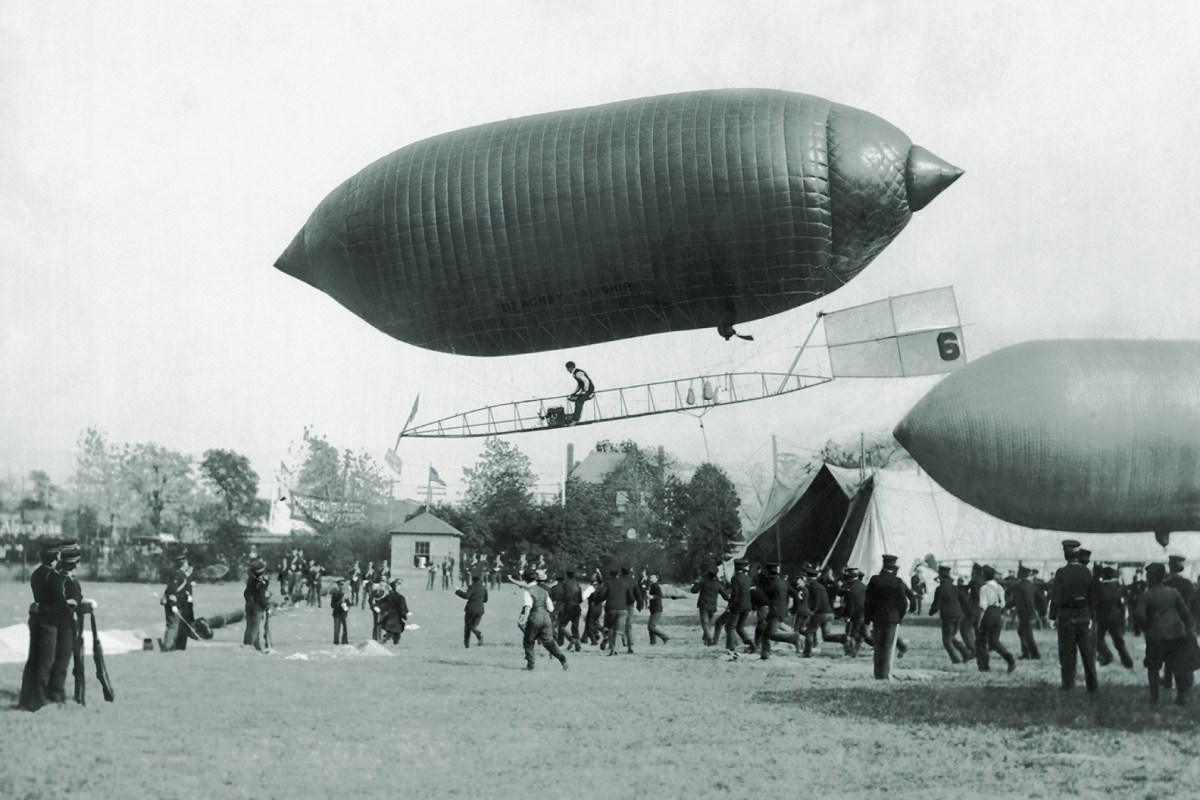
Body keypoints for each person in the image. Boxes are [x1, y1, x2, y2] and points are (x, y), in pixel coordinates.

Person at [1134, 562, 1197, 705]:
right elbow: (1185, 613)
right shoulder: (1173, 592)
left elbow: (1139, 615)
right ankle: (1181, 697)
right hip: (1175, 634)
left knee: (1153, 667)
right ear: (1163, 576)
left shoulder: (1146, 595)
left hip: (1155, 635)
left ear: (1150, 577)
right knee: (1178, 666)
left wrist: (1146, 628)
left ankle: (1154, 698)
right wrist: (1189, 626)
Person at [1049, 539, 1100, 693]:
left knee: (1067, 652)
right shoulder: (1087, 572)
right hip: (1084, 615)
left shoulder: (1061, 573)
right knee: (1088, 653)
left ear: (1065, 554)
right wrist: (1092, 616)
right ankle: (1092, 686)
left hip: (1067, 616)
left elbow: (1056, 597)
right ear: (1078, 555)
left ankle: (1068, 684)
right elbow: (1092, 597)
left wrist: (1052, 617)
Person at [19, 539, 61, 711]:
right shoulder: (54, 576)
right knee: (45, 662)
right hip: (49, 621)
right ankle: (39, 701)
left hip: (36, 618)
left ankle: (26, 699)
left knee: (33, 660)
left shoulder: (37, 574)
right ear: (54, 556)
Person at [864, 554, 909, 679]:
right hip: (892, 619)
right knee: (888, 646)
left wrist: (867, 618)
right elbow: (903, 602)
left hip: (877, 617)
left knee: (878, 646)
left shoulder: (874, 580)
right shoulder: (898, 582)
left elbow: (868, 601)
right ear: (893, 566)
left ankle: (877, 673)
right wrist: (900, 617)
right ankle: (885, 674)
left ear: (883, 564)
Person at [517, 569, 568, 671]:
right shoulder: (544, 591)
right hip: (546, 617)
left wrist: (524, 619)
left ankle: (530, 665)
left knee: (528, 641)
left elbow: (528, 606)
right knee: (549, 642)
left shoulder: (528, 591)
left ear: (525, 579)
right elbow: (551, 608)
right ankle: (562, 659)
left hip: (535, 617)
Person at [976, 565, 1016, 673]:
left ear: (984, 575)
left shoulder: (984, 588)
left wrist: (979, 621)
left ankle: (984, 667)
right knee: (994, 641)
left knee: (981, 641)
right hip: (997, 613)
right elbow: (1003, 604)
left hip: (988, 613)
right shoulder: (1000, 587)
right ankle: (1010, 659)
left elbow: (983, 605)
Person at [928, 565, 971, 664]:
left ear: (940, 577)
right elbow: (964, 600)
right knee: (951, 636)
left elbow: (936, 604)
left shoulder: (940, 589)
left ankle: (956, 659)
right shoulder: (955, 588)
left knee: (946, 640)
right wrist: (968, 613)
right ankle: (965, 653)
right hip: (958, 615)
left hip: (948, 616)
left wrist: (931, 612)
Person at [1095, 566, 1134, 669]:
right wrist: (1122, 618)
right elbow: (1121, 605)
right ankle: (1127, 662)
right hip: (1115, 618)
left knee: (1097, 639)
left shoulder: (1099, 587)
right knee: (1119, 641)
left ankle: (1107, 655)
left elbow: (1096, 604)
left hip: (1102, 618)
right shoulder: (1118, 587)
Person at [723, 559, 756, 658]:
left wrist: (730, 605)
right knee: (740, 627)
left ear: (735, 568)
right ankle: (751, 644)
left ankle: (730, 648)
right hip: (747, 605)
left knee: (730, 626)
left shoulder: (735, 579)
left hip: (737, 606)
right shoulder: (748, 578)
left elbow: (735, 593)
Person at [161, 553, 193, 652]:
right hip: (172, 603)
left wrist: (187, 595)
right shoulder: (177, 575)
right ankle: (167, 647)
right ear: (183, 564)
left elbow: (182, 589)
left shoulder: (182, 575)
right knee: (172, 625)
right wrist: (173, 605)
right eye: (186, 563)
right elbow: (171, 591)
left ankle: (171, 645)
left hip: (179, 603)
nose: (187, 564)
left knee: (175, 625)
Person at [690, 566, 728, 647]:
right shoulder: (718, 584)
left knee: (705, 624)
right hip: (713, 606)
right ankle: (706, 640)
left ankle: (709, 639)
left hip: (703, 605)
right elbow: (725, 596)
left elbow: (693, 591)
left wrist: (697, 582)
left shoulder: (703, 582)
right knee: (709, 624)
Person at [244, 559, 271, 652]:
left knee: (249, 627)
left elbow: (246, 593)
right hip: (258, 607)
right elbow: (261, 597)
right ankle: (250, 647)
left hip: (249, 605)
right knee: (255, 627)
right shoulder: (261, 582)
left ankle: (255, 646)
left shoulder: (250, 579)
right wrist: (267, 607)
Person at [455, 572, 488, 648]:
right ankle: (479, 635)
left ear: (473, 580)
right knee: (474, 626)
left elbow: (466, 596)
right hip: (480, 610)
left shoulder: (472, 587)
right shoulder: (484, 588)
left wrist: (458, 591)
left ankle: (467, 644)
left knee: (467, 627)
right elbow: (485, 600)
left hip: (471, 609)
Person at [555, 569, 583, 652]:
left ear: (567, 574)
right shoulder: (577, 584)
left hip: (568, 608)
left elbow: (562, 597)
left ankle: (571, 638)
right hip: (577, 608)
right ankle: (578, 646)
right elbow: (580, 599)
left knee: (561, 625)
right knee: (575, 627)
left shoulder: (564, 584)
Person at [378, 577, 409, 645]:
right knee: (396, 633)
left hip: (388, 618)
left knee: (392, 631)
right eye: (399, 585)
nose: (400, 587)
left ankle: (386, 639)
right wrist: (405, 617)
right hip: (397, 619)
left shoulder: (388, 596)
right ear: (396, 587)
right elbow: (403, 608)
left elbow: (380, 603)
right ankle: (391, 642)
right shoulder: (401, 598)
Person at [564, 360, 594, 425]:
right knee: (571, 398)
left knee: (579, 401)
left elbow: (586, 381)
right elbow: (580, 384)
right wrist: (575, 392)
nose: (567, 370)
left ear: (571, 368)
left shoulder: (578, 373)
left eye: (567, 369)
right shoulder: (575, 373)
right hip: (585, 390)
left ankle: (575, 420)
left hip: (589, 390)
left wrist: (584, 391)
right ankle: (574, 417)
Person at [646, 573, 670, 644]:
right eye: (651, 576)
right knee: (651, 626)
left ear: (656, 579)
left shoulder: (656, 586)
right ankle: (653, 642)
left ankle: (665, 637)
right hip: (654, 608)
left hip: (657, 609)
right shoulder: (652, 585)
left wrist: (652, 597)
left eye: (653, 576)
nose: (651, 576)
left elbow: (660, 595)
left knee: (651, 627)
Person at [331, 577, 351, 645]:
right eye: (340, 585)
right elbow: (332, 605)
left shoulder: (346, 595)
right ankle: (336, 642)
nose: (341, 587)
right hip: (336, 613)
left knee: (345, 628)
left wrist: (346, 605)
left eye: (342, 585)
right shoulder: (335, 594)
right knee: (337, 629)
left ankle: (344, 641)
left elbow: (349, 604)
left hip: (343, 614)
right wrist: (338, 604)